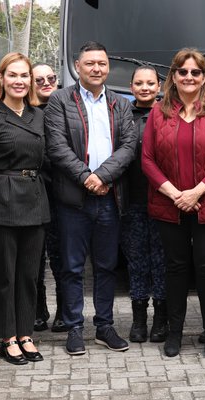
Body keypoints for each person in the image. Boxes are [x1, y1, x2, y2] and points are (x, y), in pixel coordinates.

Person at [44, 41, 138, 356]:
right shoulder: (59, 100)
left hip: (110, 197)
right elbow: (57, 147)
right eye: (90, 63)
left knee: (106, 266)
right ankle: (74, 328)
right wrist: (87, 177)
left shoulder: (120, 103)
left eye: (101, 63)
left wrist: (103, 177)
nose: (96, 69)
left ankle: (104, 326)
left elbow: (128, 146)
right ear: (78, 67)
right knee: (72, 267)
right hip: (73, 199)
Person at [141, 49, 205, 358]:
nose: (189, 77)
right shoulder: (159, 112)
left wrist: (196, 192)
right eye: (183, 72)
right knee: (176, 267)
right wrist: (176, 194)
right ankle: (175, 333)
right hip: (169, 203)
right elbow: (147, 159)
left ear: (204, 77)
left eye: (196, 72)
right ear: (174, 76)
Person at [0, 53, 51, 365]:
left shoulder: (38, 116)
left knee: (29, 274)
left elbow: (45, 158)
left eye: (24, 75)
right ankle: (8, 336)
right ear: (1, 79)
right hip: (2, 201)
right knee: (6, 274)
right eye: (13, 75)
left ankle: (26, 333)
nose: (19, 81)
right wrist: (0, 188)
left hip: (34, 197)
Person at [121, 66, 168, 343]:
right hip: (132, 200)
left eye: (150, 83)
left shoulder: (168, 114)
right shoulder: (122, 114)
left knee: (161, 262)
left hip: (163, 199)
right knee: (137, 261)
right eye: (139, 83)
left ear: (159, 86)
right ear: (131, 87)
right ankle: (139, 318)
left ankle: (161, 319)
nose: (145, 88)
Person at [31, 62, 63, 331]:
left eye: (50, 78)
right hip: (33, 193)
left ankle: (64, 310)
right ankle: (38, 310)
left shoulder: (65, 109)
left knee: (62, 256)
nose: (46, 83)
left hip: (61, 193)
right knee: (35, 257)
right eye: (39, 80)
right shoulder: (25, 113)